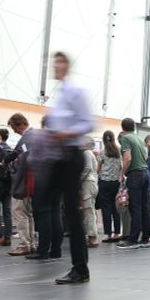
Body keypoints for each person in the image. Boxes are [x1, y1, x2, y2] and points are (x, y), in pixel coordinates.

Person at [42, 52, 95, 285]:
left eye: (60, 62)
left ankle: (80, 268)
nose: (55, 66)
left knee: (72, 213)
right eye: (54, 63)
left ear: (68, 66)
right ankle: (76, 265)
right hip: (59, 157)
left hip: (72, 156)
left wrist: (66, 133)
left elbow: (88, 122)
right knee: (48, 202)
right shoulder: (61, 96)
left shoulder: (75, 92)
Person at [5, 113, 39, 256]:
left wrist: (12, 163)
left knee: (19, 212)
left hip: (24, 181)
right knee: (28, 213)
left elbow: (24, 160)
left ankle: (25, 244)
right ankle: (29, 244)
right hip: (32, 181)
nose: (14, 131)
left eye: (14, 127)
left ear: (20, 124)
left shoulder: (27, 138)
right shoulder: (35, 136)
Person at [118, 118, 150, 249]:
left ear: (123, 128)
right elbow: (146, 157)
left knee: (135, 207)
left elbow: (128, 158)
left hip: (135, 175)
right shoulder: (139, 139)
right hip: (145, 173)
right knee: (145, 207)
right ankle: (145, 238)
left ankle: (133, 239)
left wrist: (121, 174)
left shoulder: (126, 138)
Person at [96, 131, 122, 243]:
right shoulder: (118, 152)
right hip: (115, 182)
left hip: (104, 182)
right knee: (114, 208)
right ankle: (117, 233)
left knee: (106, 208)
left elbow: (98, 168)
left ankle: (108, 235)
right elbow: (121, 166)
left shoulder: (103, 152)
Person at [80, 145, 99, 247]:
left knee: (88, 210)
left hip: (87, 183)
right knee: (90, 210)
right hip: (91, 183)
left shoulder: (85, 153)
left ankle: (93, 238)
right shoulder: (89, 153)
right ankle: (92, 237)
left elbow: (87, 168)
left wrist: (78, 179)